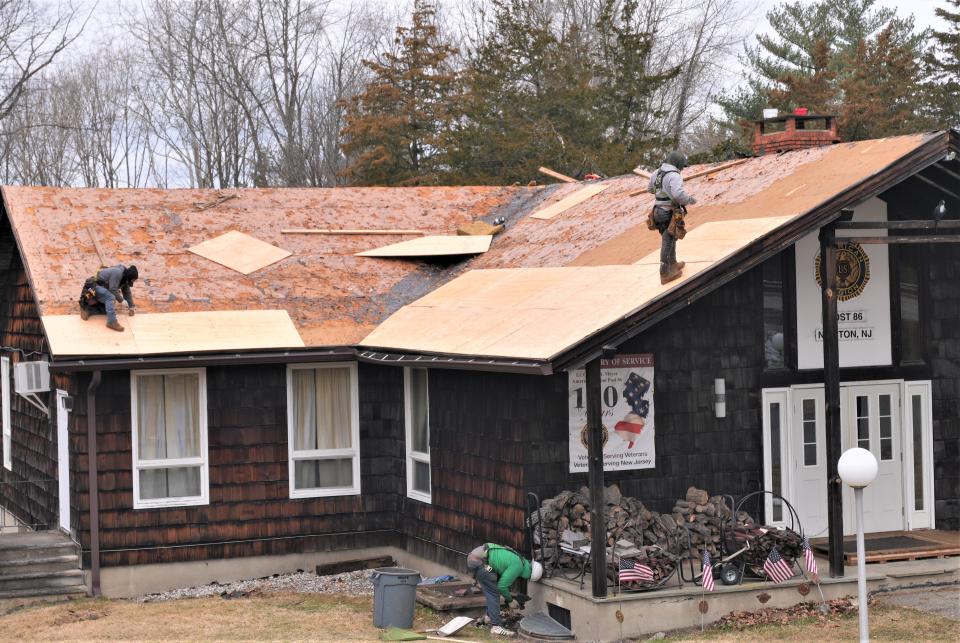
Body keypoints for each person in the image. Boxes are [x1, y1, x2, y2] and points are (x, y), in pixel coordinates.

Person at [467, 543, 543, 637]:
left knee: (492, 590)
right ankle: (496, 627)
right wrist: (510, 601)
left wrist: (473, 576)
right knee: (494, 594)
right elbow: (502, 586)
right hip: (480, 561)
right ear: (530, 575)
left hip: (476, 557)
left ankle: (488, 617)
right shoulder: (518, 566)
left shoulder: (519, 559)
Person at [648, 150, 697, 284]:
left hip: (657, 210)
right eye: (682, 165)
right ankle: (664, 272)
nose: (682, 168)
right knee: (668, 239)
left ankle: (673, 263)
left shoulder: (656, 173)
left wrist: (661, 191)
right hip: (667, 211)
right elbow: (678, 194)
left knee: (672, 235)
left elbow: (650, 189)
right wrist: (690, 200)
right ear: (677, 163)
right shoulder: (674, 176)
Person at [79, 264, 139, 332]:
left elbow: (127, 293)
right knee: (110, 297)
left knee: (106, 309)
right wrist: (121, 300)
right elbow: (113, 289)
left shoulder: (125, 278)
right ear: (129, 277)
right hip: (92, 287)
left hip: (101, 288)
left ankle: (89, 310)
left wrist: (131, 306)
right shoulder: (118, 272)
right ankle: (112, 322)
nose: (132, 282)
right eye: (133, 280)